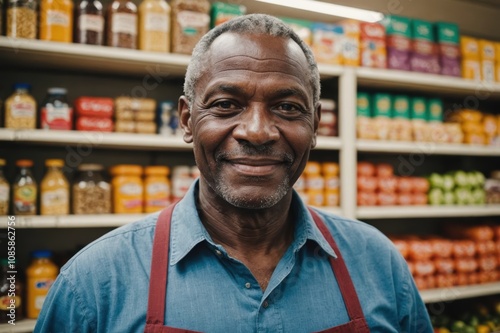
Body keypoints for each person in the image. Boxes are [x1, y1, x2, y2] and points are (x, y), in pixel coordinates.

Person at [35, 14, 433, 333]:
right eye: (226, 104)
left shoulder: (380, 263)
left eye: (288, 108)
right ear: (188, 120)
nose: (257, 132)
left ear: (315, 125)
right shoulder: (92, 284)